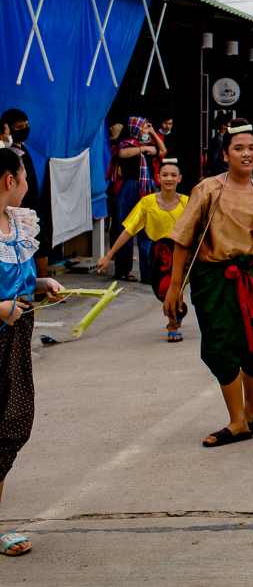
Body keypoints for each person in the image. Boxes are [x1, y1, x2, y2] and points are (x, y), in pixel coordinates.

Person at [164, 119, 253, 448]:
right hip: (213, 277)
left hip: (247, 274)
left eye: (252, 148)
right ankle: (236, 421)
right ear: (226, 155)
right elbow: (182, 239)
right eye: (239, 148)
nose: (246, 154)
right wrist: (175, 286)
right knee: (221, 343)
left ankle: (252, 411)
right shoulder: (207, 189)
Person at [0, 147, 65, 557]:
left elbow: (17, 280)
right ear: (10, 180)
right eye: (23, 177)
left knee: (9, 427)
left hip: (16, 337)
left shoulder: (17, 224)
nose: (26, 185)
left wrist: (41, 284)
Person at [95, 159, 189, 341]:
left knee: (174, 288)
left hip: (181, 253)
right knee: (163, 291)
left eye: (173, 175)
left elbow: (200, 228)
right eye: (165, 175)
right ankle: (177, 310)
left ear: (180, 179)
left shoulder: (187, 203)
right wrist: (109, 255)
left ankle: (173, 324)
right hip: (158, 255)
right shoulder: (147, 203)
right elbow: (129, 230)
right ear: (158, 178)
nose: (169, 178)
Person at [0, 110, 51, 278]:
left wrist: (40, 285)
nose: (25, 129)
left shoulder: (23, 151)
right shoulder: (8, 155)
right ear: (10, 181)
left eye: (26, 126)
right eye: (19, 127)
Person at [111, 117, 162, 282]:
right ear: (135, 128)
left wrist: (153, 133)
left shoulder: (146, 146)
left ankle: (147, 273)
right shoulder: (127, 144)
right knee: (126, 228)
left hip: (147, 188)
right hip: (130, 188)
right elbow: (122, 153)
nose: (145, 130)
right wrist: (142, 147)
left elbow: (161, 151)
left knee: (147, 230)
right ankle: (123, 270)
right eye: (143, 127)